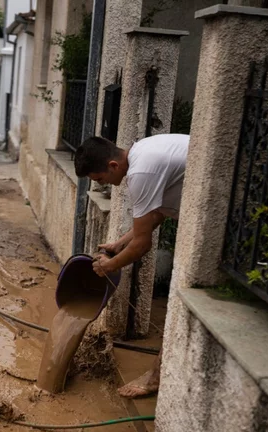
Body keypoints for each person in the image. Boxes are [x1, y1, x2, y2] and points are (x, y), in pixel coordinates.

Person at [74, 133, 189, 398]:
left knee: (180, 299)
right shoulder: (144, 151)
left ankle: (154, 378)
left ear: (113, 165)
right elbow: (157, 212)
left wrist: (109, 266)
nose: (108, 186)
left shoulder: (141, 172)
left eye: (101, 179)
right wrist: (119, 244)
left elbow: (143, 244)